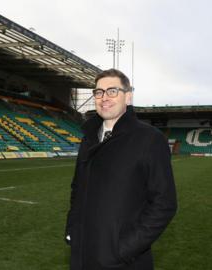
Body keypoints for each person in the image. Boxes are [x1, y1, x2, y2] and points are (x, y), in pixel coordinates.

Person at [64, 69, 177, 270]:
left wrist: (125, 249)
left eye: (112, 91)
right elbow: (77, 189)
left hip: (123, 261)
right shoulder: (88, 137)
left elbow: (164, 203)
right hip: (82, 255)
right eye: (99, 92)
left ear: (128, 96)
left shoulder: (149, 139)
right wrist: (72, 229)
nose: (104, 97)